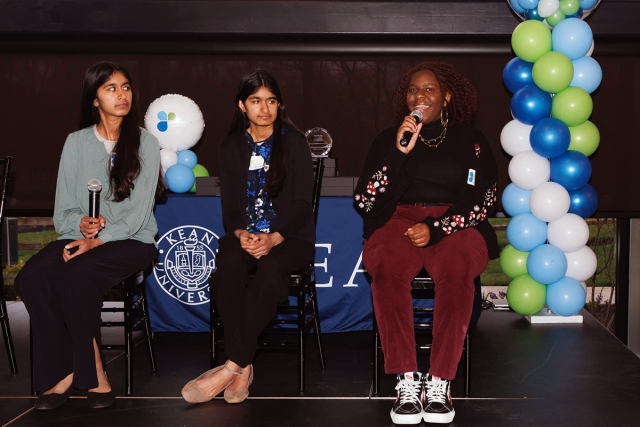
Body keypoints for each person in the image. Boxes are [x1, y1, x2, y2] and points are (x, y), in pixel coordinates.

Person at [354, 62, 499, 424]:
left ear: (446, 97)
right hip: (398, 220)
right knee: (385, 267)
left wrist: (438, 228)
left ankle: (439, 380)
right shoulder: (390, 138)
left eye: (430, 89)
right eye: (413, 91)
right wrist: (399, 152)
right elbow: (366, 202)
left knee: (456, 269)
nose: (420, 96)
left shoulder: (471, 138)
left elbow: (484, 198)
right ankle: (405, 380)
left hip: (455, 224)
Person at [15, 62, 164, 410]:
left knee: (78, 273)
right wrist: (80, 225)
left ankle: (93, 371)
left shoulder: (146, 142)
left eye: (125, 87)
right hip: (83, 238)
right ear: (94, 99)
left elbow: (139, 214)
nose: (121, 94)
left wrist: (99, 238)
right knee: (32, 278)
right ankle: (68, 369)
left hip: (132, 242)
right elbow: (63, 208)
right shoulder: (76, 142)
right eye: (111, 88)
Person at [181, 70, 315, 405]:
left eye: (271, 100)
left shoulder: (295, 142)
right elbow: (229, 211)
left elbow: (302, 206)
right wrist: (242, 234)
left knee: (269, 272)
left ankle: (232, 365)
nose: (264, 108)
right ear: (242, 105)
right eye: (256, 100)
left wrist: (273, 238)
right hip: (244, 235)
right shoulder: (230, 147)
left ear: (279, 104)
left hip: (290, 237)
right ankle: (244, 365)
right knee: (226, 264)